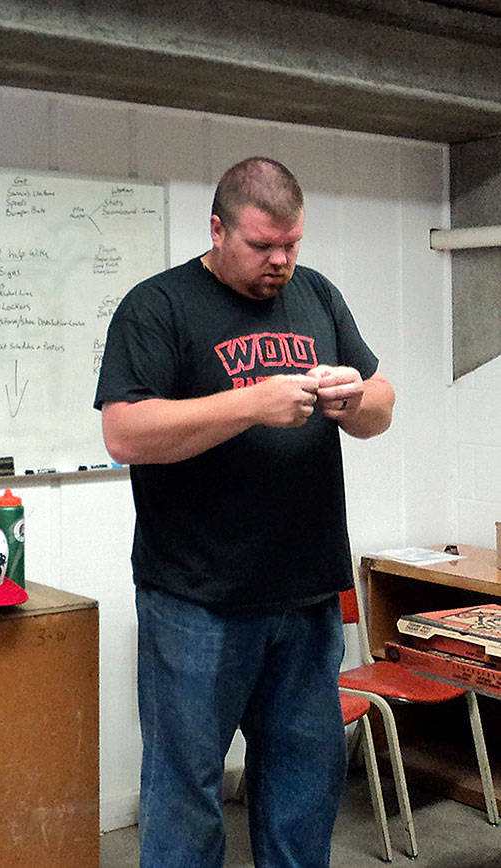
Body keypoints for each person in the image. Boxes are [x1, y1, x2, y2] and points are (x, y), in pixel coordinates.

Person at [94, 157, 395, 866]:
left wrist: (357, 399)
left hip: (308, 596)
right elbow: (123, 433)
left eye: (292, 244)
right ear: (218, 229)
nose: (281, 261)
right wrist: (250, 404)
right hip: (197, 602)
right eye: (263, 246)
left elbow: (381, 404)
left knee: (303, 785)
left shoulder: (317, 295)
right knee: (185, 790)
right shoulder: (158, 306)